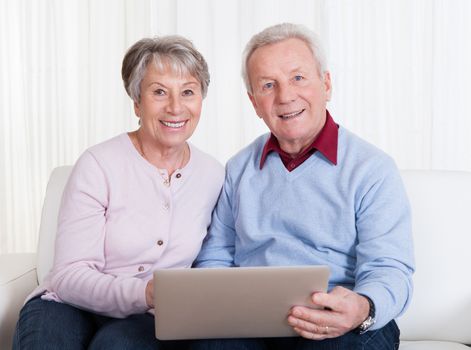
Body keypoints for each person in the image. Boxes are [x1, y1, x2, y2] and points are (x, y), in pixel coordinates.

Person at [192, 23, 415, 350]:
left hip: (340, 320)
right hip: (251, 322)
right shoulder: (238, 169)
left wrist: (361, 308)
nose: (285, 96)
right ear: (254, 102)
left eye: (298, 78)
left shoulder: (372, 169)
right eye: (268, 85)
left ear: (326, 84)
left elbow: (390, 269)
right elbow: (215, 258)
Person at [13, 35, 224, 349]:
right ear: (137, 102)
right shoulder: (98, 164)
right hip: (69, 303)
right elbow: (69, 276)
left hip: (149, 316)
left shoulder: (212, 174)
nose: (176, 106)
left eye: (188, 92)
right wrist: (144, 294)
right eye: (159, 92)